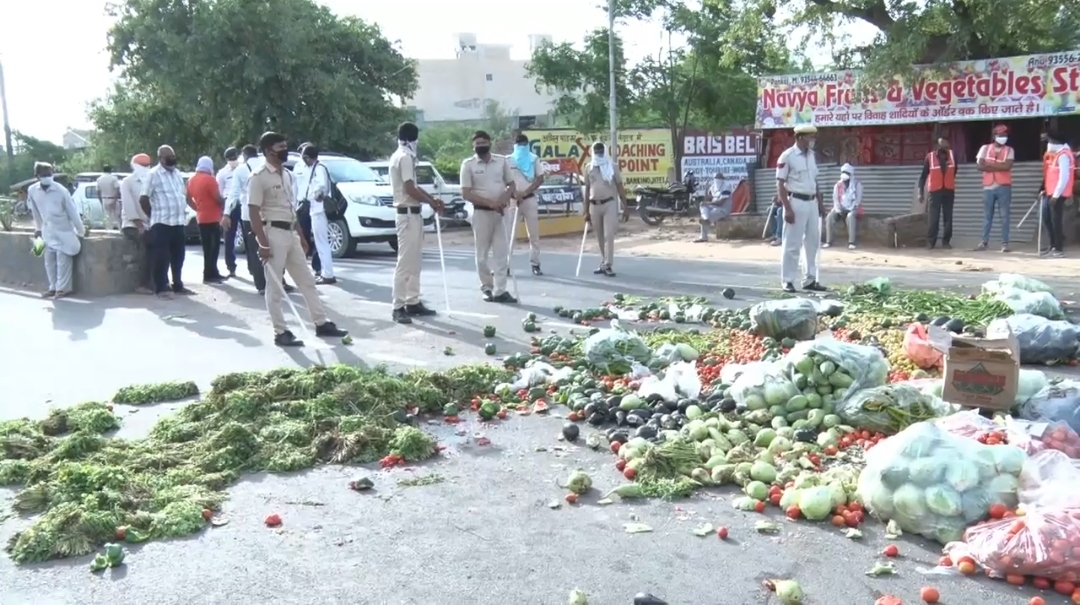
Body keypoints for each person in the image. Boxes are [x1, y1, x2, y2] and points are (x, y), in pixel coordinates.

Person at [247, 131, 348, 346]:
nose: (284, 151)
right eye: (280, 148)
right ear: (268, 151)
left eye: (285, 146)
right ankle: (281, 332)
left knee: (307, 281)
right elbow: (253, 212)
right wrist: (262, 243)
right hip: (272, 233)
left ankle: (321, 323)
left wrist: (301, 236)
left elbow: (291, 209)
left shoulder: (287, 175)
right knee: (274, 287)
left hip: (291, 232)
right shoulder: (258, 177)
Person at [389, 121, 443, 323]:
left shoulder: (404, 156)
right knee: (405, 261)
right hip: (407, 214)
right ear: (413, 139)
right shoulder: (404, 157)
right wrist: (431, 201)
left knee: (415, 261)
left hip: (413, 213)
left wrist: (431, 200)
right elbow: (410, 189)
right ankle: (398, 306)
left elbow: (415, 186)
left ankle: (412, 301)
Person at [227, 144, 295, 295]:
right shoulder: (267, 166)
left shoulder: (241, 169)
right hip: (271, 215)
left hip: (249, 215)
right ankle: (280, 281)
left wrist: (226, 213)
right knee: (277, 250)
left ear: (244, 155)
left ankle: (262, 285)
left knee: (256, 250)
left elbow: (234, 194)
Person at [460, 130, 518, 302]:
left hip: (501, 213)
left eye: (484, 143)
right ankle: (487, 287)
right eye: (477, 144)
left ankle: (500, 291)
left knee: (501, 252)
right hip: (480, 213)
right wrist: (490, 203)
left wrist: (503, 199)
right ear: (473, 146)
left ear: (489, 143)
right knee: (482, 254)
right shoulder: (468, 164)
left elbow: (512, 184)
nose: (481, 146)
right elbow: (466, 193)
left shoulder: (501, 161)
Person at [776, 124, 826, 293]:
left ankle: (810, 279)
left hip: (812, 202)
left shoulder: (811, 156)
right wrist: (787, 208)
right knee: (792, 243)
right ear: (799, 138)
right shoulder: (787, 156)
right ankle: (788, 280)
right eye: (809, 137)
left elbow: (814, 181)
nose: (812, 141)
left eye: (813, 137)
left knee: (812, 242)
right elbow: (780, 184)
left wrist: (820, 202)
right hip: (795, 201)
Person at [139, 145, 192, 299]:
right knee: (161, 257)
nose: (172, 159)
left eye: (173, 156)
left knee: (179, 256)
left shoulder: (177, 173)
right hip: (161, 223)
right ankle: (161, 287)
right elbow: (143, 198)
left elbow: (181, 194)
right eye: (168, 157)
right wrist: (153, 215)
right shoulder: (153, 175)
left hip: (177, 222)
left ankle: (178, 284)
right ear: (160, 158)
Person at [27, 162, 84, 299]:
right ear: (37, 176)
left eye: (50, 174)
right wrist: (38, 229)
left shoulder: (61, 190)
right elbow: (35, 212)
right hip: (47, 231)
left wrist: (80, 230)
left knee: (63, 260)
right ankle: (53, 287)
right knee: (49, 261)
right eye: (44, 174)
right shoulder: (32, 190)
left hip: (64, 231)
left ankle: (63, 289)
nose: (48, 176)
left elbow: (73, 212)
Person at [583, 141, 629, 276]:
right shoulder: (588, 168)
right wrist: (586, 211)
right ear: (593, 152)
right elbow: (587, 189)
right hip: (594, 205)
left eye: (600, 151)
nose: (598, 154)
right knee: (599, 236)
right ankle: (603, 262)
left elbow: (620, 186)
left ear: (605, 152)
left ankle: (608, 264)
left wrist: (626, 207)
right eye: (596, 151)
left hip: (609, 204)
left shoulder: (612, 166)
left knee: (609, 234)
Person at [294, 144, 336, 285]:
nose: (303, 161)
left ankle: (327, 274)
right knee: (320, 242)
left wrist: (313, 196)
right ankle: (325, 272)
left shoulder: (319, 168)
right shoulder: (313, 168)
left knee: (321, 242)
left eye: (304, 157)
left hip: (319, 209)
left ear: (308, 157)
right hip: (315, 209)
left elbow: (322, 188)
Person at [506, 133, 545, 275]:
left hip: (529, 199)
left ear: (527, 144)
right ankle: (506, 265)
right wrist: (515, 194)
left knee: (533, 234)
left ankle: (535, 263)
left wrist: (525, 192)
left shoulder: (534, 159)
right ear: (514, 145)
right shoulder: (508, 161)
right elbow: (505, 181)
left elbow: (540, 178)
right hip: (512, 200)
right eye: (518, 143)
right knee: (510, 234)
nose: (521, 146)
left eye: (523, 143)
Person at [975, 125, 1015, 252]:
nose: (1003, 138)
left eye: (1005, 135)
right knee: (987, 216)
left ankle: (1005, 244)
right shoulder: (985, 148)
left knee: (1004, 216)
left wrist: (990, 165)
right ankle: (984, 243)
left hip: (1004, 186)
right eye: (1000, 135)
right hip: (988, 186)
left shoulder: (1010, 150)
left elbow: (1007, 166)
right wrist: (999, 166)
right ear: (994, 136)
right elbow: (980, 166)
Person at [120, 153, 154, 294]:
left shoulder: (152, 180)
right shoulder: (127, 182)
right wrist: (139, 224)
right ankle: (143, 284)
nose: (145, 168)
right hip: (132, 224)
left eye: (147, 165)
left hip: (151, 223)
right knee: (146, 248)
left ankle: (157, 281)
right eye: (142, 165)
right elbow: (129, 206)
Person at [189, 156, 226, 283]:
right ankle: (210, 274)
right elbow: (217, 198)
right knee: (214, 247)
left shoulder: (191, 180)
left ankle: (211, 272)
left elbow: (187, 198)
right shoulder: (210, 180)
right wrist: (225, 205)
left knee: (206, 247)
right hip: (213, 217)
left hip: (201, 217)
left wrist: (197, 208)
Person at [918, 136, 956, 250]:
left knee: (948, 218)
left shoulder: (953, 156)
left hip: (949, 190)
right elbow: (923, 176)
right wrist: (920, 192)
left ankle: (946, 242)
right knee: (933, 218)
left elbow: (954, 171)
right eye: (942, 142)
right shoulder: (930, 157)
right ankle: (931, 242)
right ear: (937, 145)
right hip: (935, 191)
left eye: (946, 141)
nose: (945, 144)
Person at [1039, 131, 1073, 258]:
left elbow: (1064, 177)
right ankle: (1053, 244)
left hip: (1058, 194)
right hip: (1050, 192)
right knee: (1047, 218)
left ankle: (1058, 248)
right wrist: (1044, 189)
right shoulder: (1055, 154)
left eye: (1050, 141)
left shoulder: (1064, 155)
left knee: (1055, 221)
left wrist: (1056, 195)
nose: (1048, 144)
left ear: (1057, 142)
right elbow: (1051, 175)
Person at [825, 163, 862, 250]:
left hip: (853, 207)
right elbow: (835, 199)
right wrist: (838, 209)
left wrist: (851, 208)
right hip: (841, 207)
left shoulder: (857, 185)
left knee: (850, 217)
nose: (845, 182)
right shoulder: (837, 185)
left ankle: (851, 242)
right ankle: (828, 241)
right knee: (829, 217)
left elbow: (858, 200)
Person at [217, 147, 242, 277]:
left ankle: (254, 267)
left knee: (250, 236)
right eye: (230, 159)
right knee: (229, 237)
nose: (233, 160)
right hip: (230, 204)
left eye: (234, 158)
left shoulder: (243, 169)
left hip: (243, 202)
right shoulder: (222, 173)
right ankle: (231, 267)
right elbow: (220, 191)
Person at [694, 172, 733, 242]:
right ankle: (705, 218)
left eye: (719, 179)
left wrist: (709, 203)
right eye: (716, 179)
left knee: (711, 213)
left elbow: (721, 202)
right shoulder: (713, 187)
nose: (717, 181)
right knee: (702, 205)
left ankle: (704, 235)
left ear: (722, 179)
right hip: (714, 206)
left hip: (723, 209)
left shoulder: (726, 187)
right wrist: (706, 189)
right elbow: (708, 198)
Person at [96, 165, 122, 230]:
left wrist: (101, 201)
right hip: (113, 198)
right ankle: (120, 230)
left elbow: (98, 191)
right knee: (117, 217)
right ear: (110, 170)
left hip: (104, 199)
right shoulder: (113, 178)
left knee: (107, 217)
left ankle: (108, 231)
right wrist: (114, 200)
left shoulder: (99, 179)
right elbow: (117, 189)